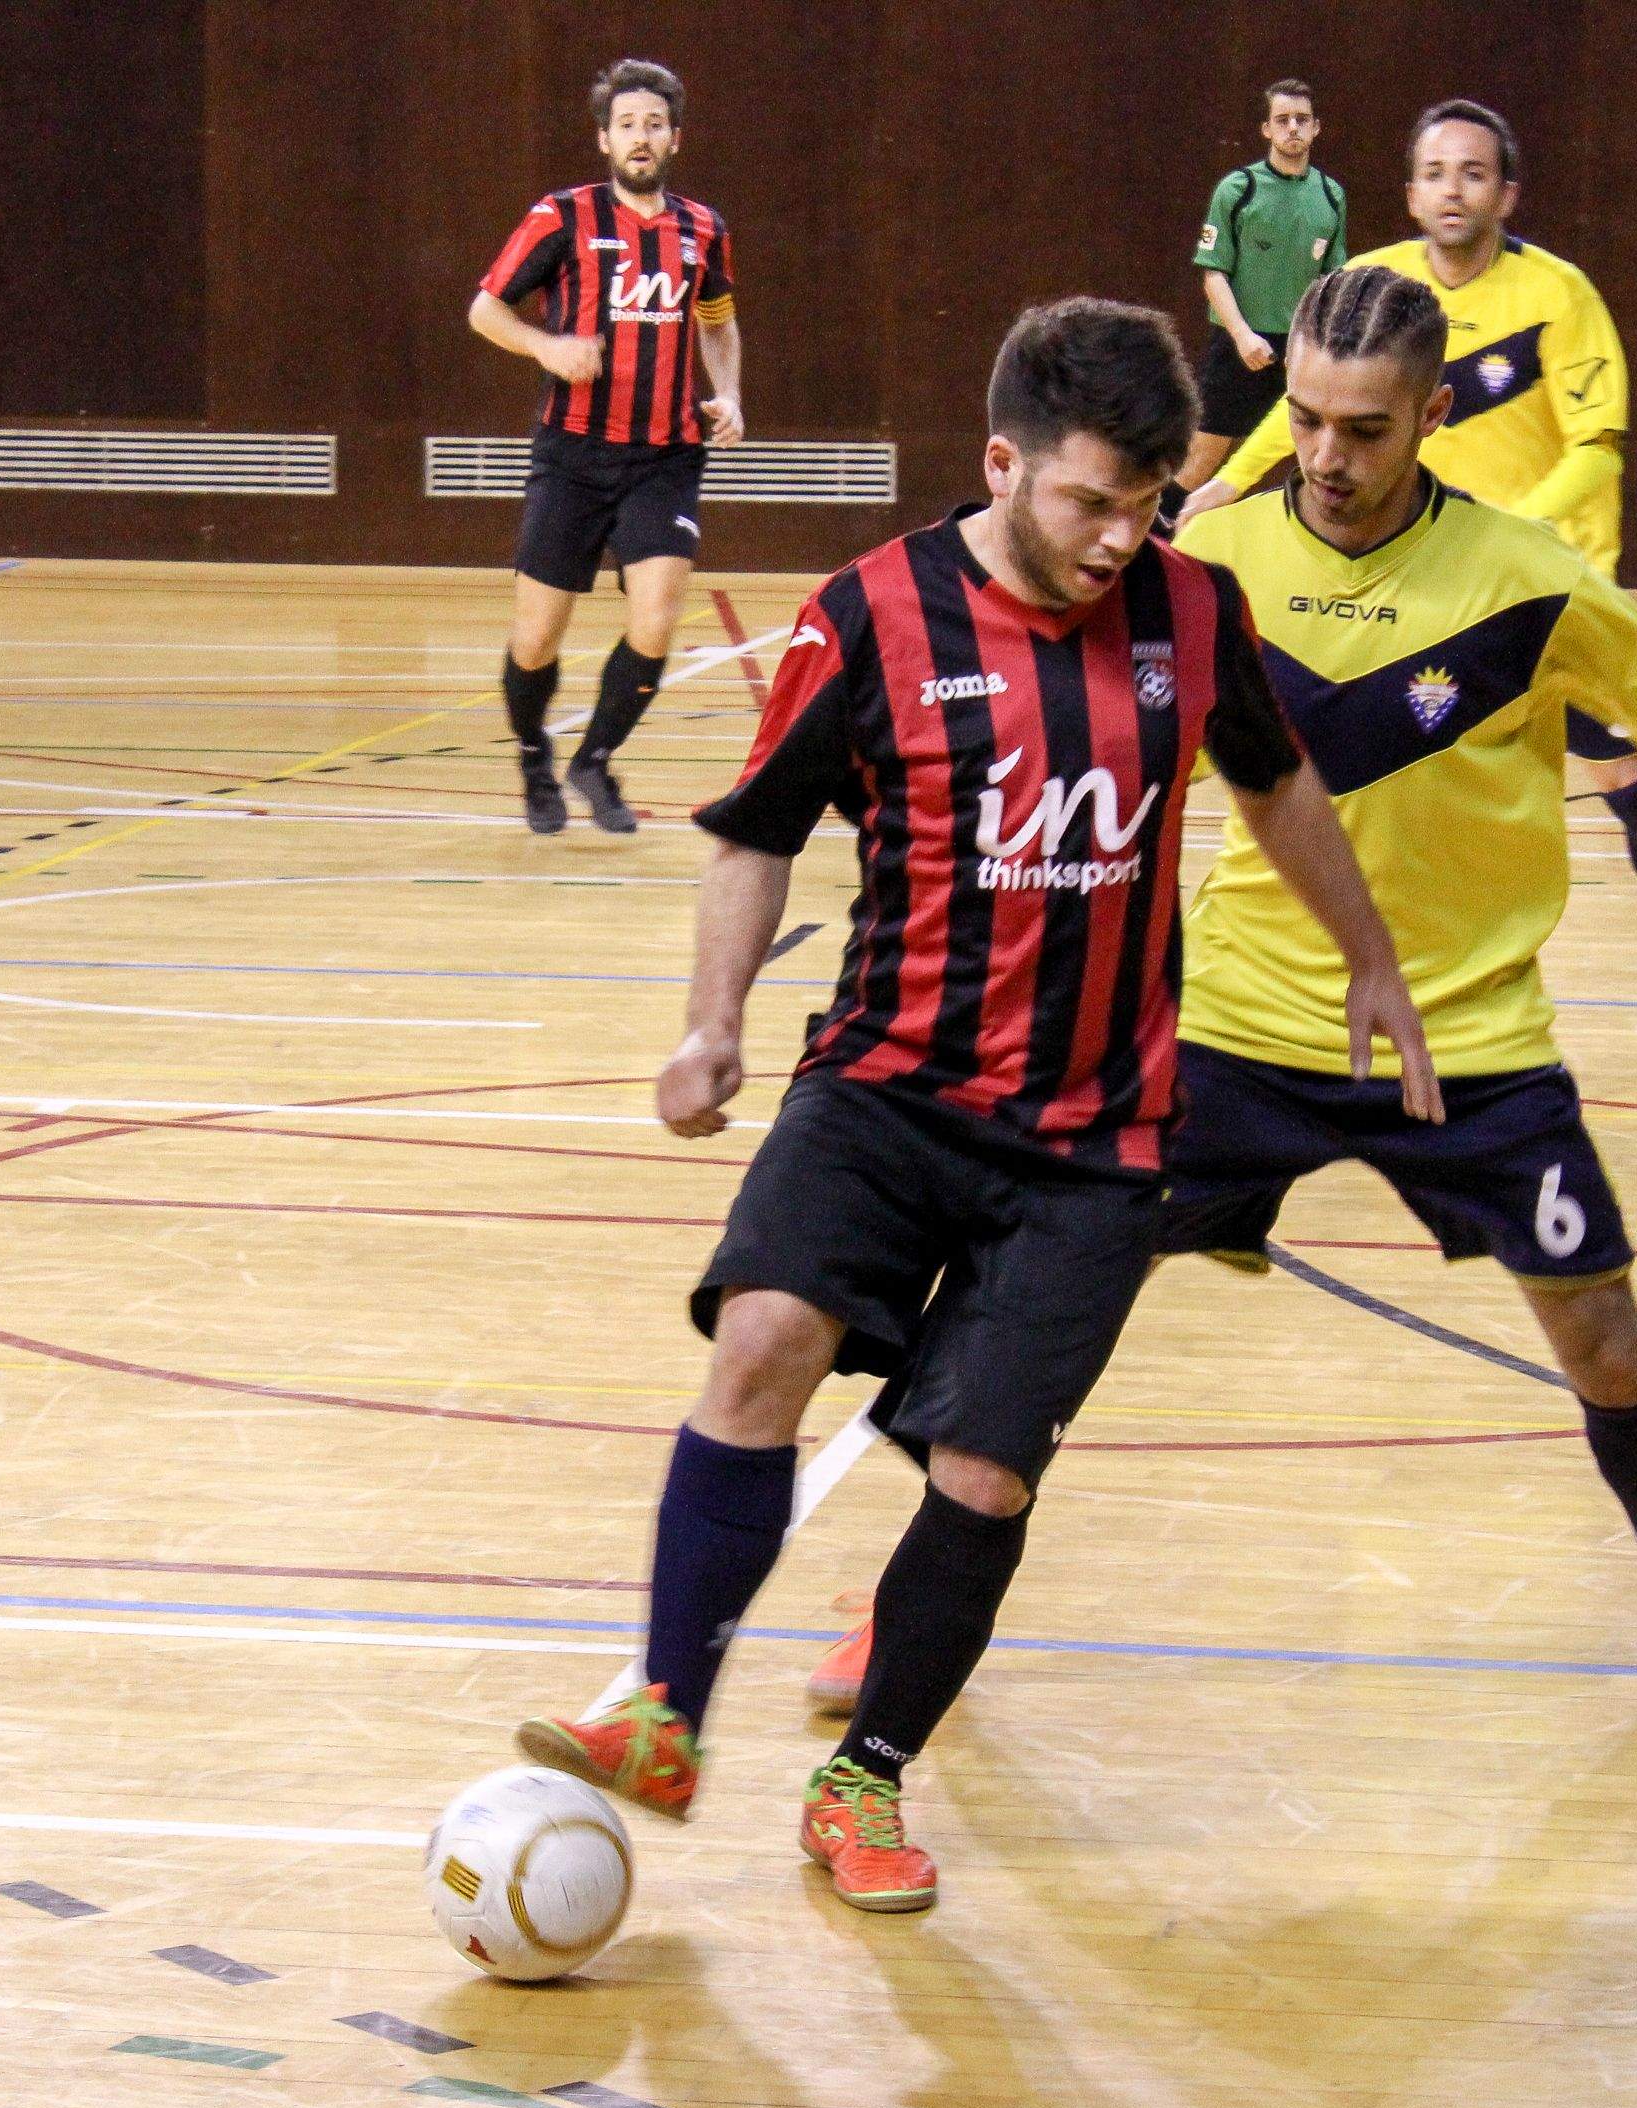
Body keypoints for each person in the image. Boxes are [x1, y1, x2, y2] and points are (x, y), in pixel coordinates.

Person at [813, 266, 1637, 1727]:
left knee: (1604, 1341)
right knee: (1034, 1310)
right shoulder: (1205, 560)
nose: (1325, 455)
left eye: (1365, 428)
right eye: (1304, 419)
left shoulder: (1532, 580)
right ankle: (908, 1614)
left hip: (1468, 1039)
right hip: (1236, 1028)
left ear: (1435, 415)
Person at [514, 298, 1434, 1915]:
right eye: (1089, 501)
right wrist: (712, 1024)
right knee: (760, 1343)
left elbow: (1276, 778)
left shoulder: (1193, 610)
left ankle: (862, 1777)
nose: (1119, 537)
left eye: (1145, 503)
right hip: (887, 1088)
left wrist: (1370, 957)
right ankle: (663, 1709)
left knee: (985, 1475)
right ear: (1001, 464)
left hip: (1095, 1140)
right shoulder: (869, 612)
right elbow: (757, 828)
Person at [1179, 99, 1637, 1056]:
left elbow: (1598, 448)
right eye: (1436, 173)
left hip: (1522, 601)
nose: (1454, 190)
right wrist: (1232, 481)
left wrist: (1501, 544)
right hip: (1404, 588)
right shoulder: (1373, 290)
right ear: (1409, 194)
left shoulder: (1560, 295)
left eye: (1475, 173)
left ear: (1508, 194)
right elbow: (1305, 405)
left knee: (1625, 772)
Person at [471, 58, 742, 835]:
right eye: (627, 125)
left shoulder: (703, 229)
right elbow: (486, 310)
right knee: (536, 638)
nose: (640, 137)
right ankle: (534, 755)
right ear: (604, 139)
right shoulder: (562, 217)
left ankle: (593, 759)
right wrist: (546, 347)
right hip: (573, 455)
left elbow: (718, 323)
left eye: (654, 124)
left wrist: (728, 394)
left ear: (676, 138)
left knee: (656, 621)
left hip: (666, 456)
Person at [1177, 80, 1348, 500]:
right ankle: (1161, 530)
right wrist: (1242, 336)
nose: (1293, 128)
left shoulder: (1331, 195)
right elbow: (1213, 274)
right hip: (1241, 346)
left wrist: (1320, 345)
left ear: (1316, 128)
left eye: (1302, 120)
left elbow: (1332, 282)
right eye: (1282, 120)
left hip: (1300, 352)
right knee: (1201, 459)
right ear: (1266, 129)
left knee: (1310, 457)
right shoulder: (1239, 190)